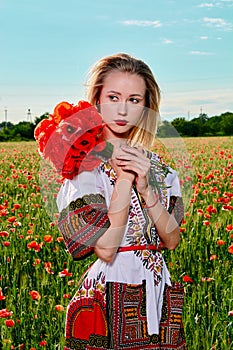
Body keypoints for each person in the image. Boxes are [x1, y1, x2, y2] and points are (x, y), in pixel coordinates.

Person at [56, 53, 186, 349]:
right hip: (110, 291)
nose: (123, 110)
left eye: (135, 100)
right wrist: (125, 180)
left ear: (146, 108)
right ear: (98, 100)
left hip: (158, 290)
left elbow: (172, 239)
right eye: (114, 97)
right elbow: (104, 246)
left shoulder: (162, 171)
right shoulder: (83, 171)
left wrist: (147, 188)